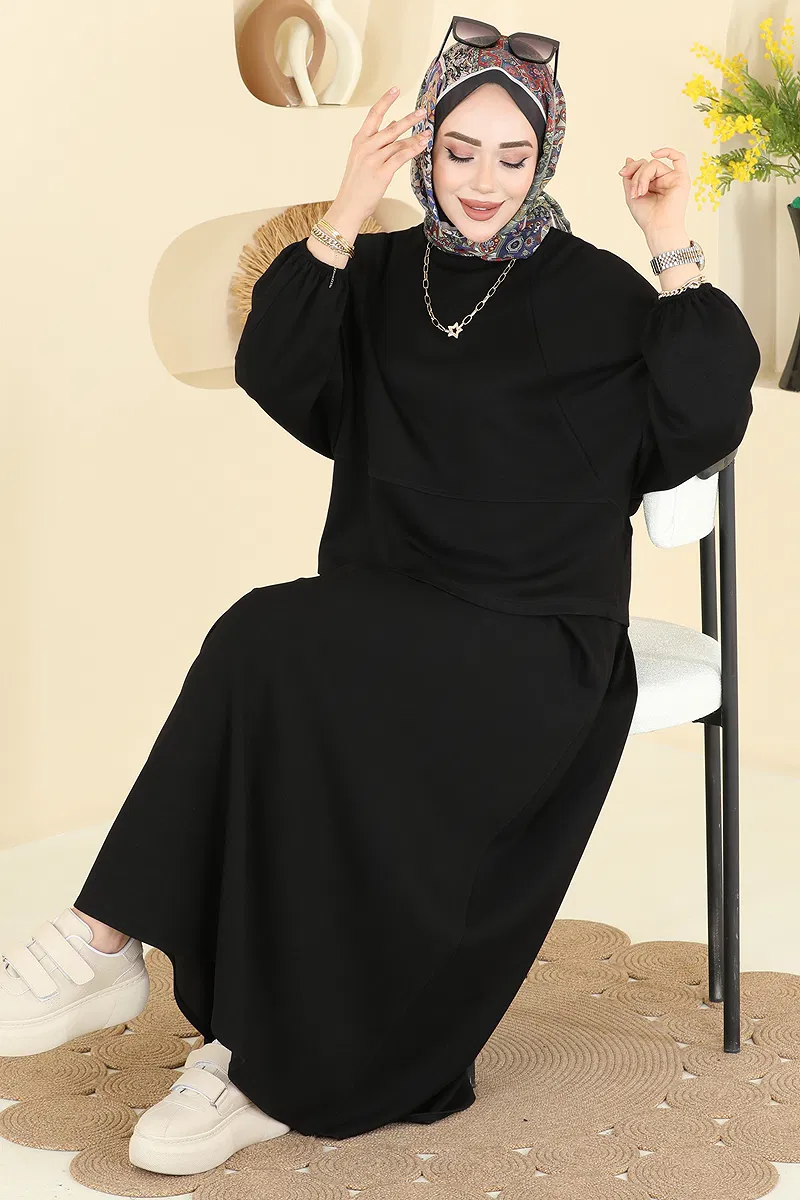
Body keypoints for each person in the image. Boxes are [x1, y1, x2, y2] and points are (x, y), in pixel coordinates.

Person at [0, 17, 761, 1176]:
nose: (483, 181)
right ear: (423, 147)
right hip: (384, 611)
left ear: (545, 153)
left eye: (512, 155)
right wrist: (348, 208)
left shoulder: (599, 292)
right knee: (280, 660)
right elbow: (276, 369)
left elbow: (703, 418)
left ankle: (115, 947)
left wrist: (669, 240)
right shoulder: (382, 275)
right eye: (458, 150)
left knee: (265, 637)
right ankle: (241, 1046)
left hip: (534, 634)